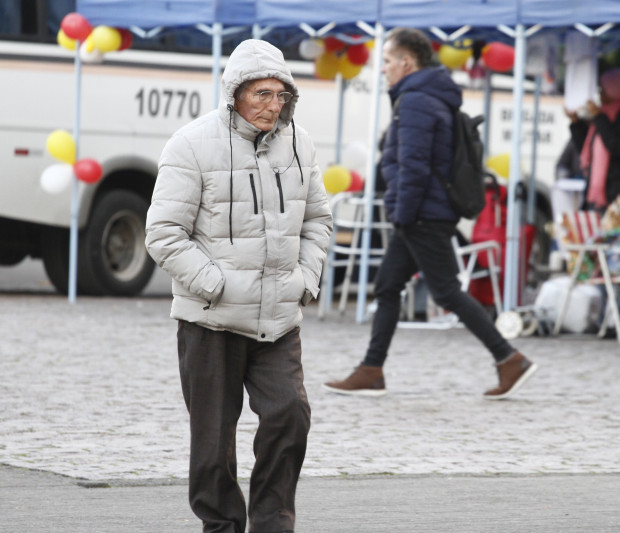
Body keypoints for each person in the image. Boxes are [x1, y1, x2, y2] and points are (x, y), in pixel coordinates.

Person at [145, 39, 332, 532]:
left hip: (278, 318)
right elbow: (164, 234)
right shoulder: (190, 144)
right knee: (213, 442)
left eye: (281, 95)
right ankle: (221, 526)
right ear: (235, 94)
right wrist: (215, 285)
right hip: (211, 319)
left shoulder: (301, 143)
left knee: (290, 416)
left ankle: (272, 523)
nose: (273, 105)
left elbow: (318, 220)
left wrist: (305, 280)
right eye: (263, 94)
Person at [322, 28, 537, 400]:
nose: (384, 69)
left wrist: (402, 214)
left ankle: (509, 357)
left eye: (387, 61)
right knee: (388, 286)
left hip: (421, 214)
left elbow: (414, 165)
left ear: (407, 62)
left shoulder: (416, 101)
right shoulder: (428, 96)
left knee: (447, 291)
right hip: (424, 212)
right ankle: (371, 371)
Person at [566, 66, 620, 340]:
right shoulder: (606, 117)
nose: (600, 94)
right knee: (601, 261)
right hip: (603, 196)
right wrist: (578, 124)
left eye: (604, 88)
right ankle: (608, 318)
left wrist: (599, 119)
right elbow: (586, 152)